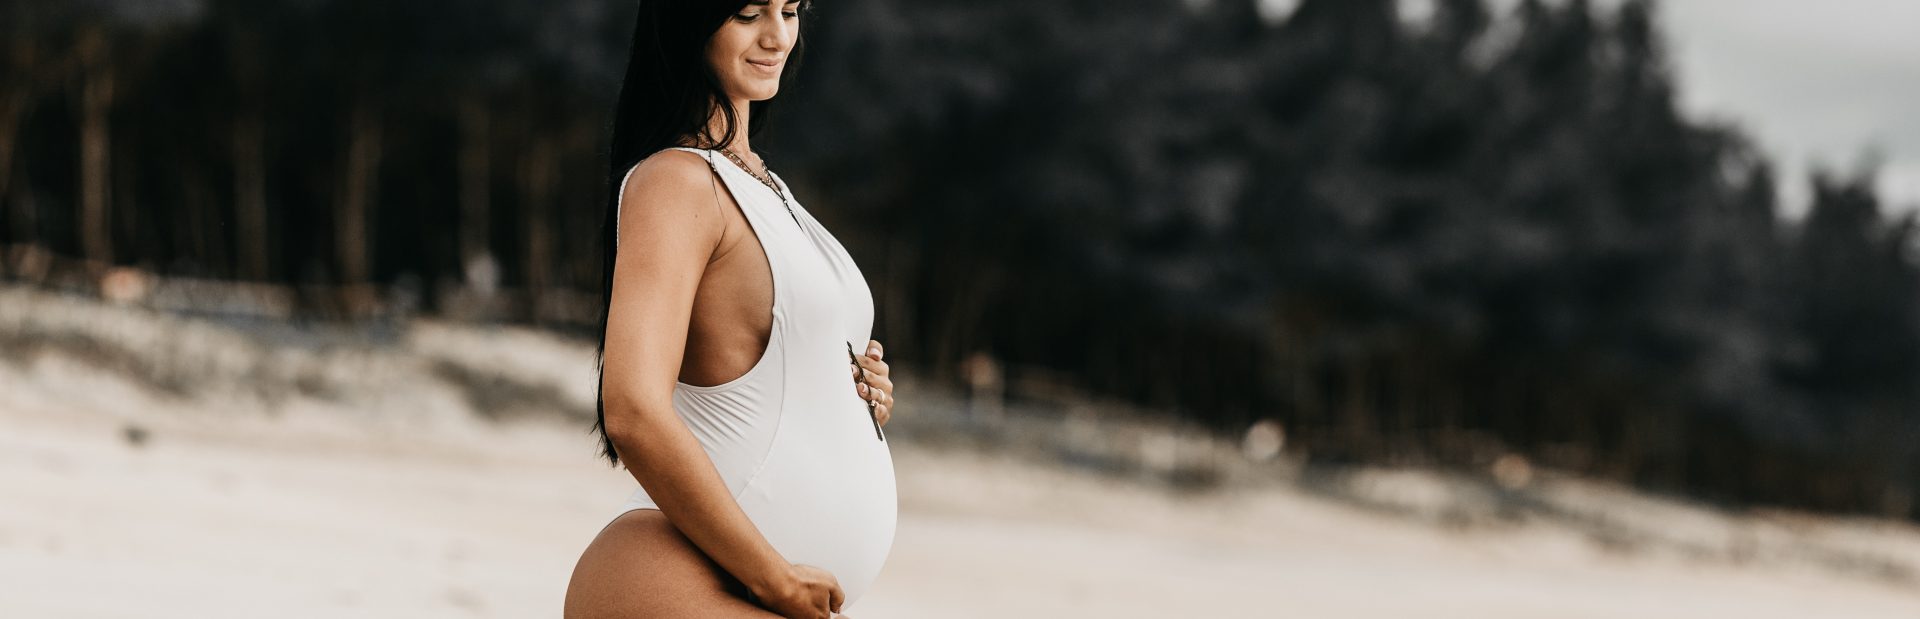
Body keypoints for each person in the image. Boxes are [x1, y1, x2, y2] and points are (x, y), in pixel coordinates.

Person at [563, 1, 899, 618]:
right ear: (690, 20)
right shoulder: (678, 182)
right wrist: (774, 579)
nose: (778, 37)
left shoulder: (762, 184)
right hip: (720, 582)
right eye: (748, 14)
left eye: (791, 11)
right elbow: (633, 409)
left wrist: (855, 392)